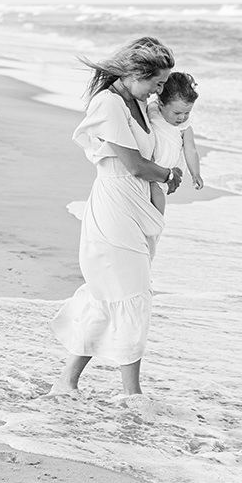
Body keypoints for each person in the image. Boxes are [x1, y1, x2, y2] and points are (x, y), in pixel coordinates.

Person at [50, 36, 181, 396]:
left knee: (108, 297)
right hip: (114, 208)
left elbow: (167, 139)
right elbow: (136, 165)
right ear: (136, 73)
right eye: (157, 81)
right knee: (133, 295)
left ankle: (66, 382)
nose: (161, 89)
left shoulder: (139, 102)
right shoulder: (108, 104)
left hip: (137, 208)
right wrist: (168, 175)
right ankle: (131, 394)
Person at [146, 72, 203, 215]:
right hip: (149, 163)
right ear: (161, 104)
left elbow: (190, 150)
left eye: (187, 113)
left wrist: (195, 173)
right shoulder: (151, 111)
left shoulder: (184, 127)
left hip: (167, 167)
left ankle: (157, 220)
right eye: (177, 113)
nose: (182, 117)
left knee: (156, 191)